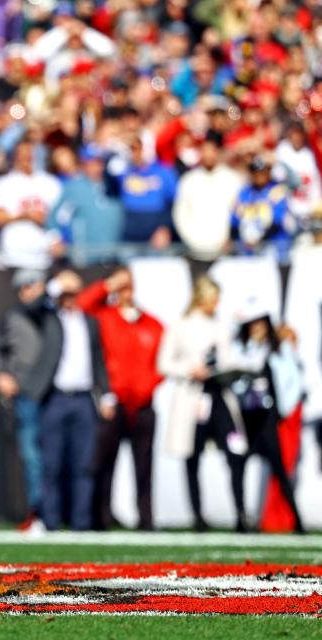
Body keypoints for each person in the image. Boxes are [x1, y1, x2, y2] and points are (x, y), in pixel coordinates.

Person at [157, 275, 247, 532]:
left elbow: (228, 359)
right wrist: (189, 369)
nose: (216, 305)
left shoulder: (220, 327)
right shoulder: (180, 326)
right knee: (192, 455)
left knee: (235, 450)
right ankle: (198, 515)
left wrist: (224, 368)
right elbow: (164, 363)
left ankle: (241, 513)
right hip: (192, 399)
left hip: (218, 395)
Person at [77, 268, 164, 531]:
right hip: (113, 403)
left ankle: (146, 519)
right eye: (121, 287)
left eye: (128, 286)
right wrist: (108, 285)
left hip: (143, 405)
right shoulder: (105, 317)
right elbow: (82, 305)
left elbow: (162, 362)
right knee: (105, 465)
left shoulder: (152, 324)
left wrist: (146, 388)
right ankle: (102, 517)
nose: (125, 291)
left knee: (144, 466)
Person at [38, 270, 114, 531]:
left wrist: (106, 394)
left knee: (84, 464)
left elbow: (98, 360)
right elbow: (33, 305)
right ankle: (51, 522)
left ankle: (80, 523)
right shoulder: (49, 318)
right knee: (52, 465)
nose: (69, 299)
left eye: (73, 293)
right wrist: (55, 285)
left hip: (83, 399)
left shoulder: (90, 322)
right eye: (65, 294)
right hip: (56, 397)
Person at [0, 269, 56, 531]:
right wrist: (0, 374)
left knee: (58, 456)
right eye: (24, 286)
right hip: (28, 394)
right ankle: (37, 512)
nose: (29, 290)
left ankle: (64, 513)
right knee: (32, 455)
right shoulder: (13, 317)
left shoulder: (54, 314)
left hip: (57, 393)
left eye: (33, 284)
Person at [231, 308, 305, 533]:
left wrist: (283, 409)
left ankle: (297, 520)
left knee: (279, 469)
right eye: (252, 323)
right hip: (247, 419)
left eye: (260, 323)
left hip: (268, 419)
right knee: (238, 466)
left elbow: (294, 382)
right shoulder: (242, 348)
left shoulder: (278, 349)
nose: (257, 328)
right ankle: (241, 518)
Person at [0, 140, 63, 270]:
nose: (26, 158)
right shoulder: (4, 183)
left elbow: (62, 218)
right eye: (22, 154)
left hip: (45, 257)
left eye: (29, 154)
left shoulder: (51, 183)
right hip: (13, 257)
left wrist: (57, 237)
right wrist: (24, 216)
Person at [172, 131, 243, 260]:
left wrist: (230, 238)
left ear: (218, 152)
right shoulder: (188, 180)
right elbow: (181, 214)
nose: (208, 155)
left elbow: (238, 212)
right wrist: (192, 240)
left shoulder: (233, 180)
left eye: (212, 150)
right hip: (195, 249)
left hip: (225, 250)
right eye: (205, 150)